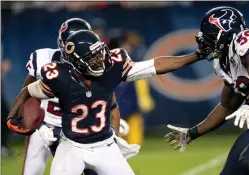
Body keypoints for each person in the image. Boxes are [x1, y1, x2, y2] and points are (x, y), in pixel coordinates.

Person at [7, 27, 209, 175]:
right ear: (76, 61)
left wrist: (196, 55)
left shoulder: (113, 66)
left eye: (100, 53)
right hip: (71, 147)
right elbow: (28, 90)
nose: (100, 60)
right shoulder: (57, 76)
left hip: (105, 146)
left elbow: (156, 65)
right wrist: (12, 116)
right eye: (92, 57)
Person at [165, 6, 249, 175]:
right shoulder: (221, 63)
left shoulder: (246, 40)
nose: (205, 42)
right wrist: (192, 133)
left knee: (248, 164)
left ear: (226, 32)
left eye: (210, 37)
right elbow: (227, 106)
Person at [21, 18, 125, 175]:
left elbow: (111, 105)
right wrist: (37, 125)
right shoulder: (44, 59)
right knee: (31, 170)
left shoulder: (94, 64)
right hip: (45, 127)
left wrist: (113, 137)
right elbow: (27, 93)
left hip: (76, 133)